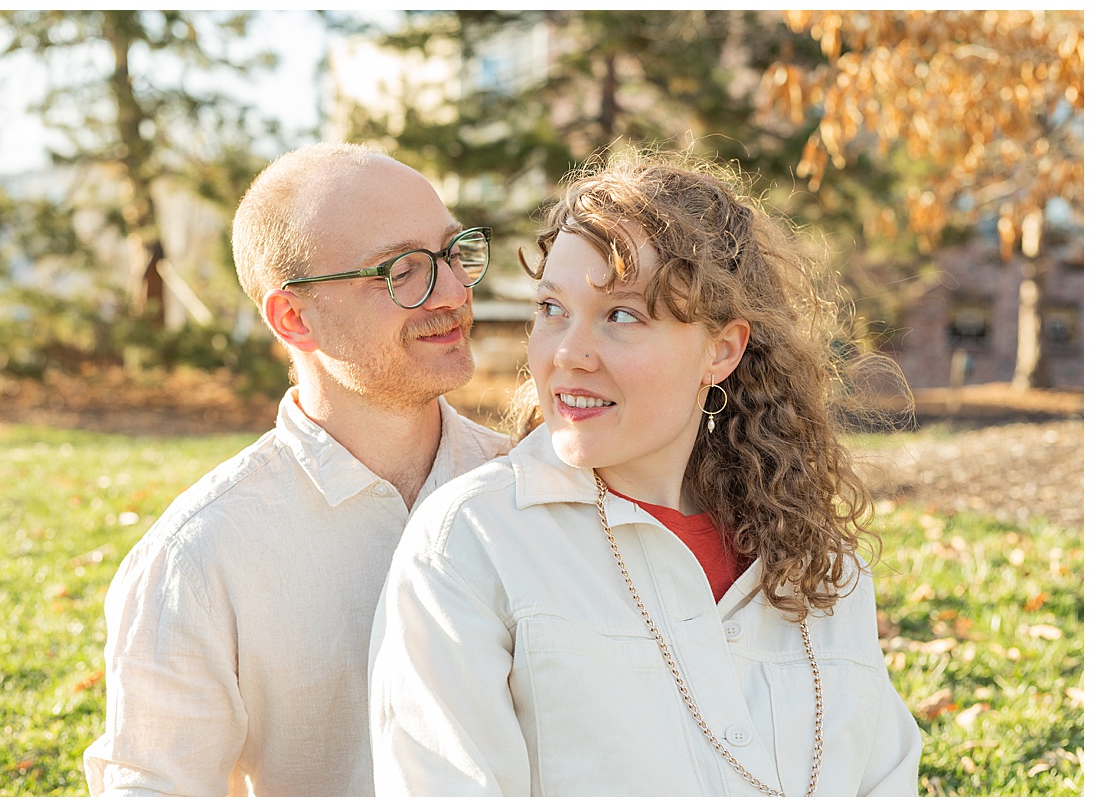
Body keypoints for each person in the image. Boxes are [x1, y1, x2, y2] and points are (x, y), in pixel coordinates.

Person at [369, 151, 922, 796]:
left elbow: (884, 780)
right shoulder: (471, 544)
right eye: (552, 309)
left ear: (722, 349)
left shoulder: (822, 567)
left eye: (622, 315)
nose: (569, 354)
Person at [83, 143, 511, 796]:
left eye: (455, 253)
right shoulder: (198, 560)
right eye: (403, 269)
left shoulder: (532, 488)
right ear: (294, 317)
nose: (454, 292)